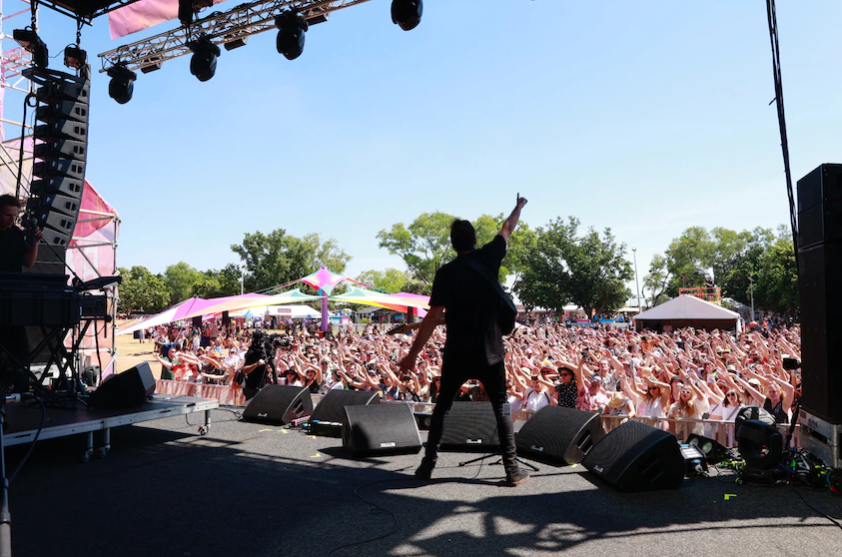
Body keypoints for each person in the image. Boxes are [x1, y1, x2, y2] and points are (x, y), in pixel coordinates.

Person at [399, 194, 530, 486]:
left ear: (453, 243)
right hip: (491, 352)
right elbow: (507, 228)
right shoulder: (489, 256)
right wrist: (518, 207)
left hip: (457, 353)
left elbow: (432, 318)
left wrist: (412, 355)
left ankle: (426, 467)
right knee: (500, 406)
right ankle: (512, 470)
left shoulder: (445, 273)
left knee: (442, 407)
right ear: (474, 240)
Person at [0, 194, 42, 393]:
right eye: (8, 215)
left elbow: (28, 262)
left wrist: (35, 243)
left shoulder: (16, 234)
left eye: (14, 216)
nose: (11, 220)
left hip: (11, 299)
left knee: (21, 352)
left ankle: (23, 394)